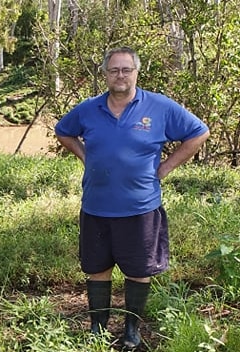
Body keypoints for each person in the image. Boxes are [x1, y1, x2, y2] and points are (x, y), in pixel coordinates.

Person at [54, 47, 210, 349]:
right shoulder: (88, 109)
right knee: (96, 268)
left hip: (140, 208)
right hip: (96, 206)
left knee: (139, 271)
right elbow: (63, 131)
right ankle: (97, 330)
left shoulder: (160, 106)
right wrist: (86, 157)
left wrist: (165, 167)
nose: (120, 75)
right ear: (105, 74)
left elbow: (198, 132)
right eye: (114, 70)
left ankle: (131, 332)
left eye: (126, 69)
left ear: (137, 72)